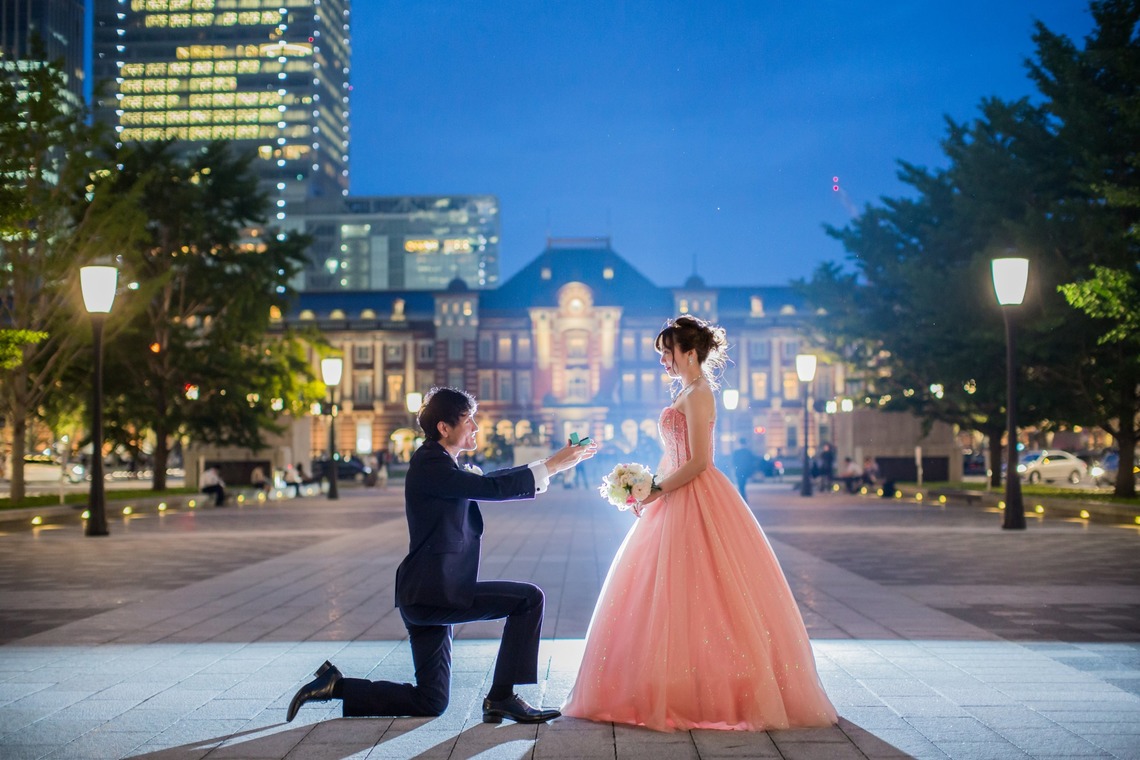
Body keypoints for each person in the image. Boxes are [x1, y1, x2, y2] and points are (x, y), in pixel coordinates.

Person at [562, 315, 836, 732]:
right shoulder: (687, 392)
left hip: (695, 494)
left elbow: (699, 461)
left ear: (689, 353)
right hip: (673, 492)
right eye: (661, 355)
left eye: (667, 354)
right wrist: (645, 485)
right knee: (665, 591)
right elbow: (674, 455)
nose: (663, 362)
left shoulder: (700, 394)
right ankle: (672, 681)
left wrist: (658, 490)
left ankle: (704, 688)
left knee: (705, 590)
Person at [287, 386, 598, 724]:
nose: (476, 427)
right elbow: (490, 489)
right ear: (444, 428)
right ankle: (502, 697)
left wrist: (550, 464)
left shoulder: (440, 464)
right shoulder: (430, 465)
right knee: (528, 600)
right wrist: (551, 466)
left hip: (425, 595)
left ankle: (336, 686)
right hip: (435, 593)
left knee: (430, 700)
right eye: (469, 420)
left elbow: (491, 480)